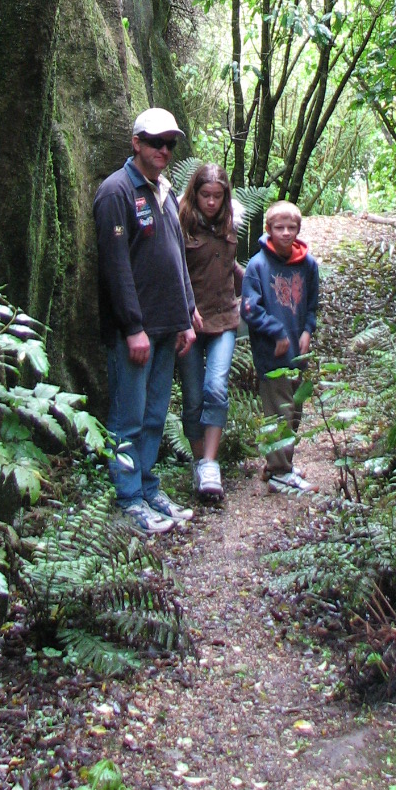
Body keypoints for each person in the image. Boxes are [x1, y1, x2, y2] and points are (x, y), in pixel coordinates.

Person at [93, 107, 201, 534]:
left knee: (155, 414)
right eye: (156, 142)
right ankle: (128, 498)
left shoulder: (165, 191)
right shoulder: (116, 192)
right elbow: (115, 267)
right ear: (136, 142)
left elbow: (175, 257)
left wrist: (188, 312)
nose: (164, 150)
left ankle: (147, 485)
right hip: (133, 332)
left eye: (170, 143)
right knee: (128, 417)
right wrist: (132, 327)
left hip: (166, 325)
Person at [240, 200, 320, 495]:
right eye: (279, 227)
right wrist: (277, 333)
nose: (286, 233)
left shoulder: (308, 264)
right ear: (269, 230)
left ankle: (280, 463)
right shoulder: (257, 265)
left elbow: (312, 304)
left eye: (291, 227)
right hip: (271, 352)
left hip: (298, 350)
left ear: (298, 229)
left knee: (295, 408)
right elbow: (249, 309)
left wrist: (307, 331)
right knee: (278, 409)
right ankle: (278, 471)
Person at [177, 163, 244, 503]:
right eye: (206, 195)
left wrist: (257, 285)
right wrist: (184, 312)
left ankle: (210, 464)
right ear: (195, 193)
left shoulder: (230, 222)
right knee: (193, 397)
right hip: (189, 322)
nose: (212, 202)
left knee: (215, 387)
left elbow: (227, 264)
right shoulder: (180, 222)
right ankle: (199, 459)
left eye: (218, 196)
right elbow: (174, 271)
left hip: (224, 319)